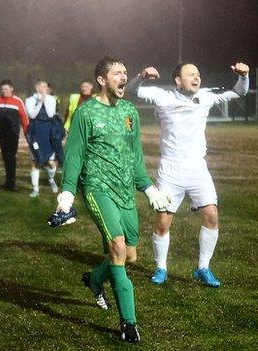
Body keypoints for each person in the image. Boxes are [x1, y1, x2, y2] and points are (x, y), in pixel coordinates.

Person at [55, 56, 171, 343]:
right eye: (117, 73)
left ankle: (95, 279)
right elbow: (74, 157)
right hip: (97, 187)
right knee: (117, 247)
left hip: (124, 191)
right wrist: (67, 195)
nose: (123, 77)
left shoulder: (130, 111)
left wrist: (150, 190)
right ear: (102, 80)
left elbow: (136, 159)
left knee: (129, 255)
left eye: (125, 73)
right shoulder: (86, 112)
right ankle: (128, 325)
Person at [126, 62, 249, 287]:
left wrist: (244, 76)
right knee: (163, 221)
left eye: (198, 74)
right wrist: (142, 75)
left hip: (197, 169)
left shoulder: (206, 96)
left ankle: (203, 268)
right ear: (177, 80)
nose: (197, 78)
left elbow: (240, 91)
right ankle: (161, 268)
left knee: (211, 214)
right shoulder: (163, 97)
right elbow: (131, 90)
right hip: (170, 169)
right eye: (191, 74)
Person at [0, 80, 29, 190]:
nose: (4, 91)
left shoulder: (17, 101)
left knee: (11, 156)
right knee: (5, 156)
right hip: (1, 134)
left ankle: (11, 182)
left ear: (12, 89)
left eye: (6, 89)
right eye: (2, 89)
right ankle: (8, 181)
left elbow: (24, 117)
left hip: (13, 133)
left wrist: (27, 131)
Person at [25, 80, 59, 197]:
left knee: (51, 162)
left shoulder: (52, 99)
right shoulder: (29, 100)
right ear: (36, 87)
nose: (44, 88)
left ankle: (51, 179)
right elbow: (32, 115)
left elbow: (50, 114)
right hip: (35, 132)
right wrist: (40, 102)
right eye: (41, 86)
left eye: (45, 86)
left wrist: (45, 99)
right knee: (35, 161)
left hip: (48, 132)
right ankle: (35, 189)